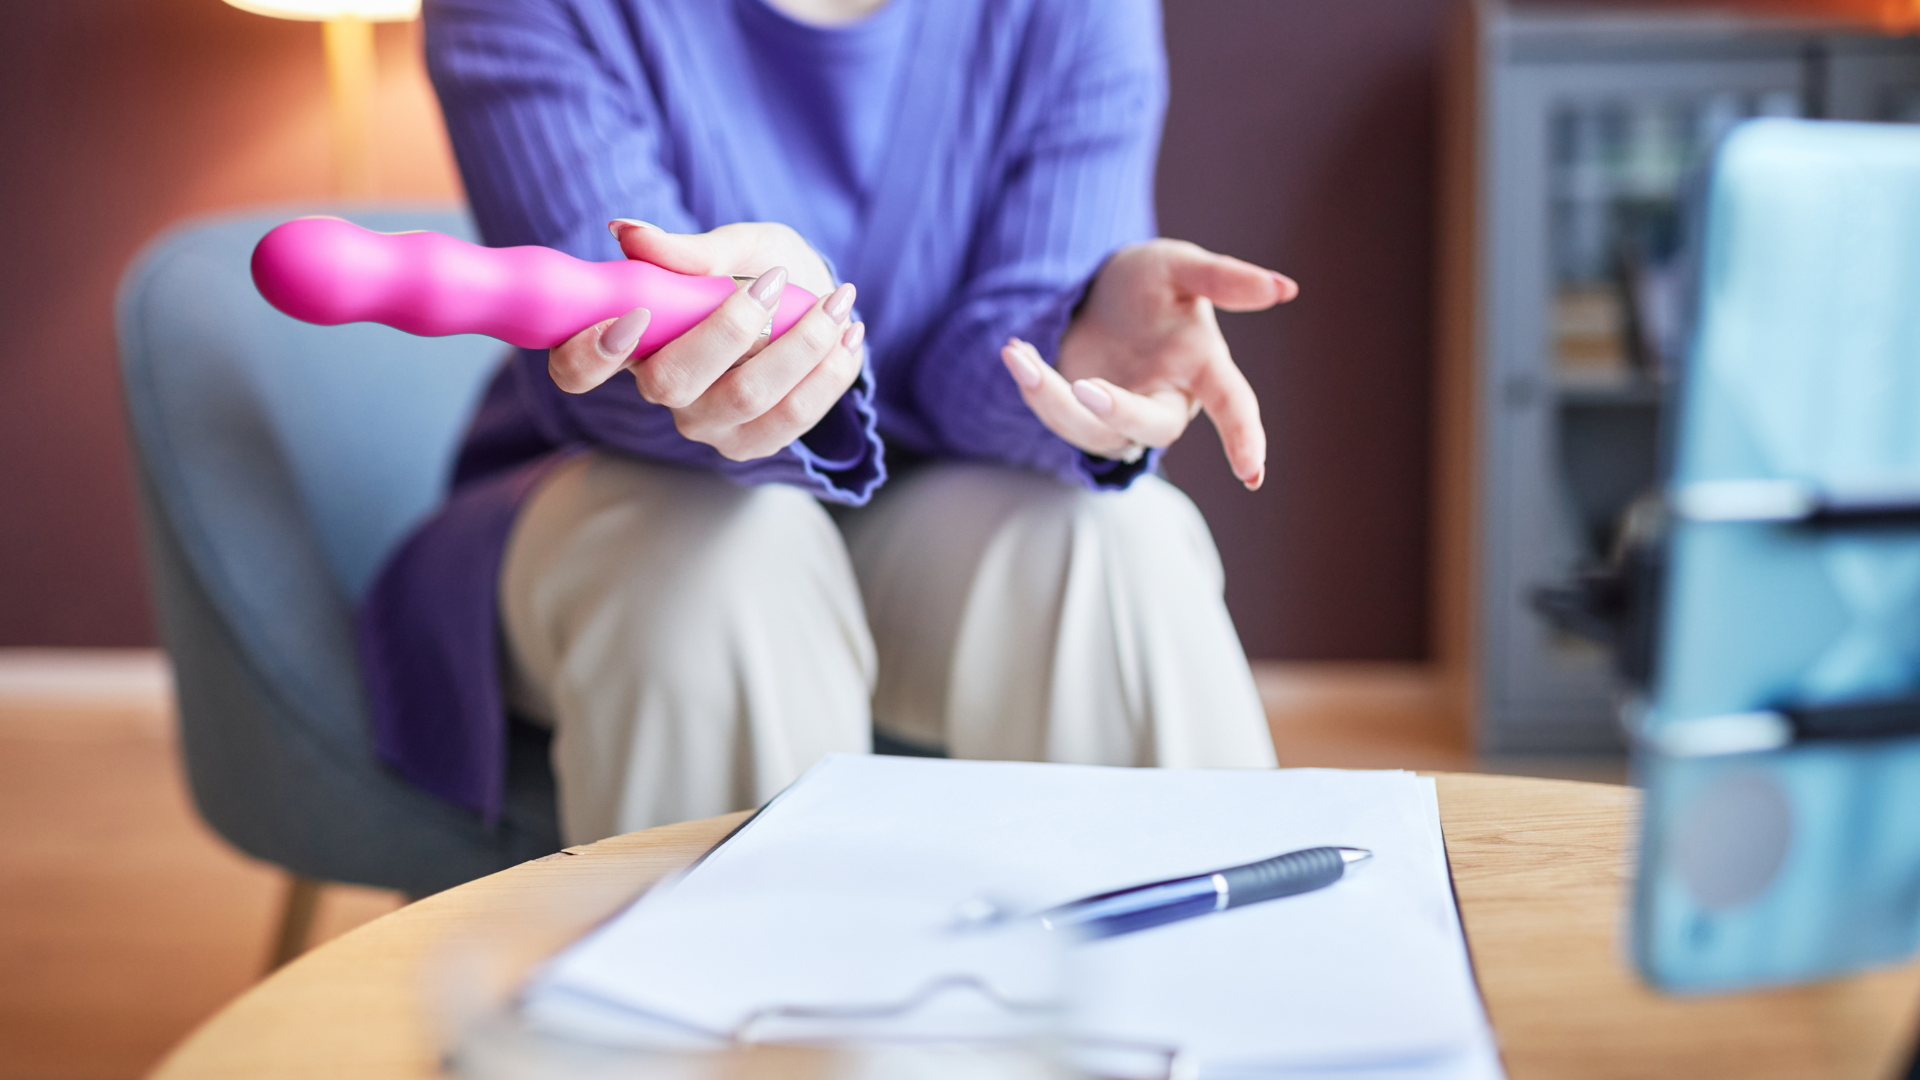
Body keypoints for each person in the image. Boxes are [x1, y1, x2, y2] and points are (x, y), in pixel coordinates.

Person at [359, 0, 1298, 846]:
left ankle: (1223, 1008)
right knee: (716, 568)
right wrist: (754, 340)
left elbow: (997, 344)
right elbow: (599, 353)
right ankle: (736, 1033)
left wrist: (1074, 343)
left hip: (936, 512)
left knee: (1115, 545)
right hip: (624, 500)